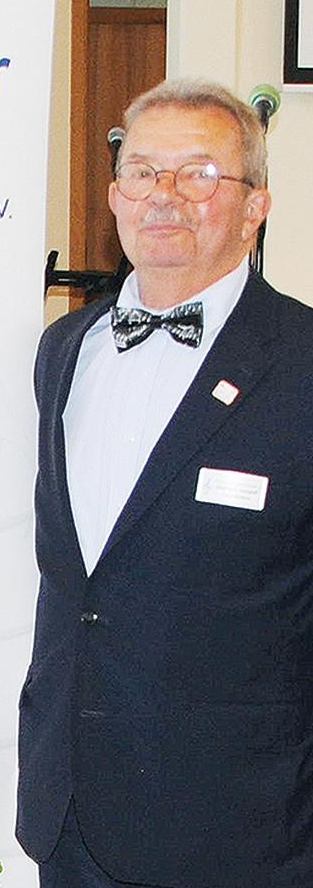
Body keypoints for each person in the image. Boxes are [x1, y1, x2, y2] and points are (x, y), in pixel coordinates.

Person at [16, 77, 313, 887]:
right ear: (116, 195)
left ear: (255, 207)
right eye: (143, 171)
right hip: (69, 811)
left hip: (238, 832)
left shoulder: (301, 363)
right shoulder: (64, 350)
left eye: (199, 174)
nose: (165, 195)